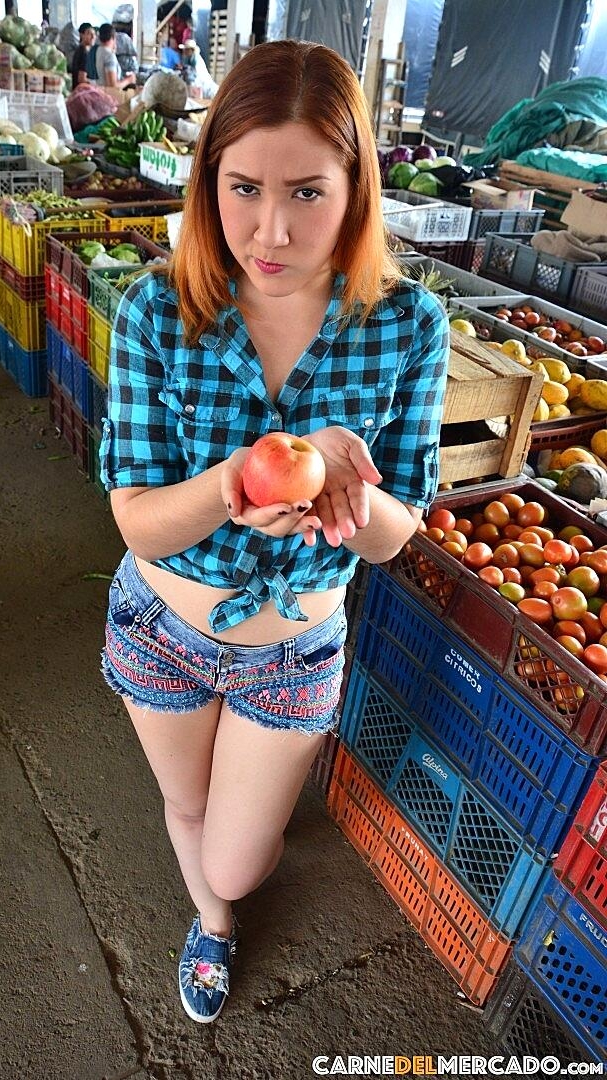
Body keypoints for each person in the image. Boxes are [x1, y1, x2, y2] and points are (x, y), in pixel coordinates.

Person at [99, 39, 449, 1025]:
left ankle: (228, 881)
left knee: (239, 857)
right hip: (161, 631)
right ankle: (210, 926)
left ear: (356, 189)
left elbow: (394, 535)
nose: (271, 229)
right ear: (210, 180)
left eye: (307, 192)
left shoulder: (408, 325)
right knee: (188, 808)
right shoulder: (158, 311)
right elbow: (138, 523)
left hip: (292, 650)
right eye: (244, 188)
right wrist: (226, 486)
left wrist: (347, 486)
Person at [94, 22, 135, 89]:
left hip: (98, 90)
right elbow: (112, 86)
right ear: (113, 37)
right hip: (107, 94)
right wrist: (129, 80)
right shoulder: (109, 56)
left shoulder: (98, 51)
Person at [70, 22, 95, 90]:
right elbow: (82, 79)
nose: (93, 37)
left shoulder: (80, 50)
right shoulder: (84, 53)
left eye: (94, 34)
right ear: (81, 35)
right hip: (81, 91)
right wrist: (95, 84)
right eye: (89, 33)